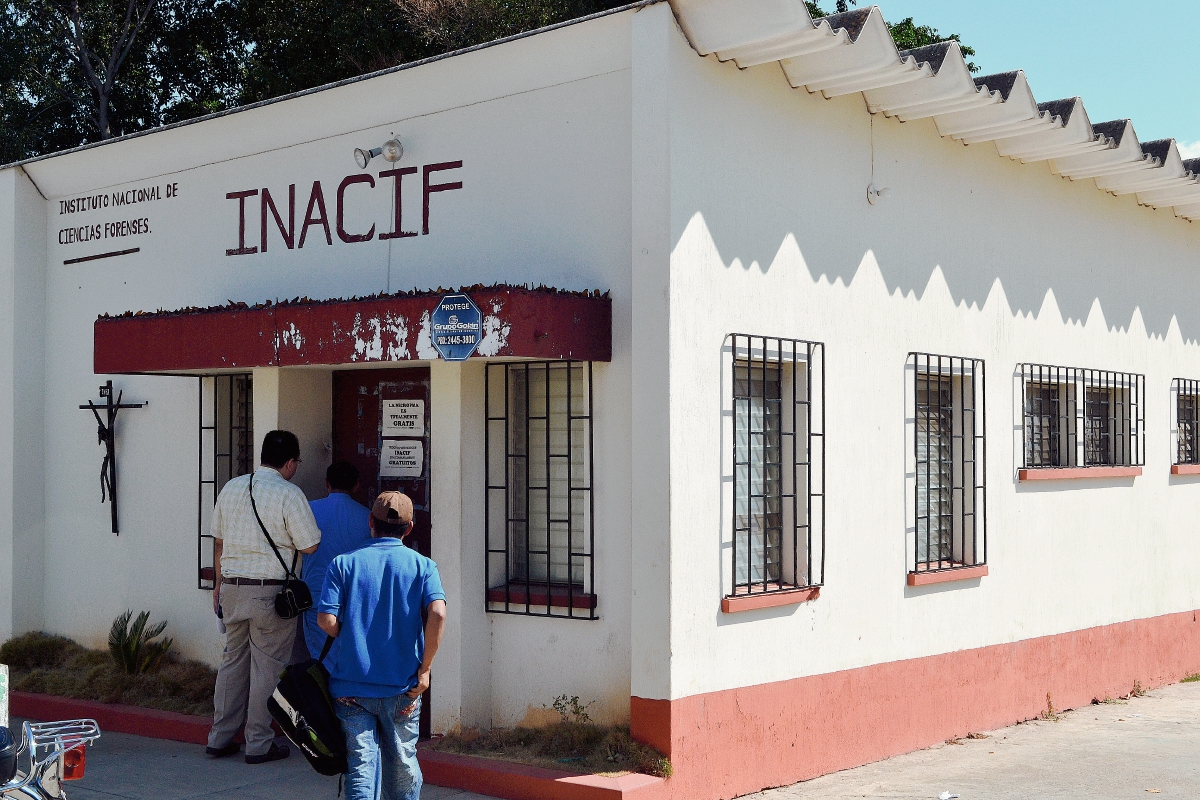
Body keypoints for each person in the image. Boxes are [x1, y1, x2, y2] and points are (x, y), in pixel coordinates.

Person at [318, 491, 447, 800]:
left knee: (361, 769)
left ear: (369, 522)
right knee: (402, 766)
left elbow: (325, 620)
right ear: (409, 527)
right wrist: (425, 669)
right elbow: (438, 613)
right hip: (402, 686)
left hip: (351, 688)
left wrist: (349, 635)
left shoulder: (343, 564)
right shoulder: (423, 566)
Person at [206, 430, 322, 764]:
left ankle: (220, 737)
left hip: (231, 587)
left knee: (232, 664)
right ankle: (258, 742)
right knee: (267, 669)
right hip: (270, 594)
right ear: (289, 462)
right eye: (296, 462)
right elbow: (310, 544)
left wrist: (217, 585)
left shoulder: (232, 487)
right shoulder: (289, 493)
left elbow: (218, 541)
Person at [300, 460, 371, 661]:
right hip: (353, 598)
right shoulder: (367, 517)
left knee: (321, 659)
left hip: (316, 596)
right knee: (351, 657)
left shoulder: (307, 511)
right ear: (356, 485)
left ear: (326, 483)